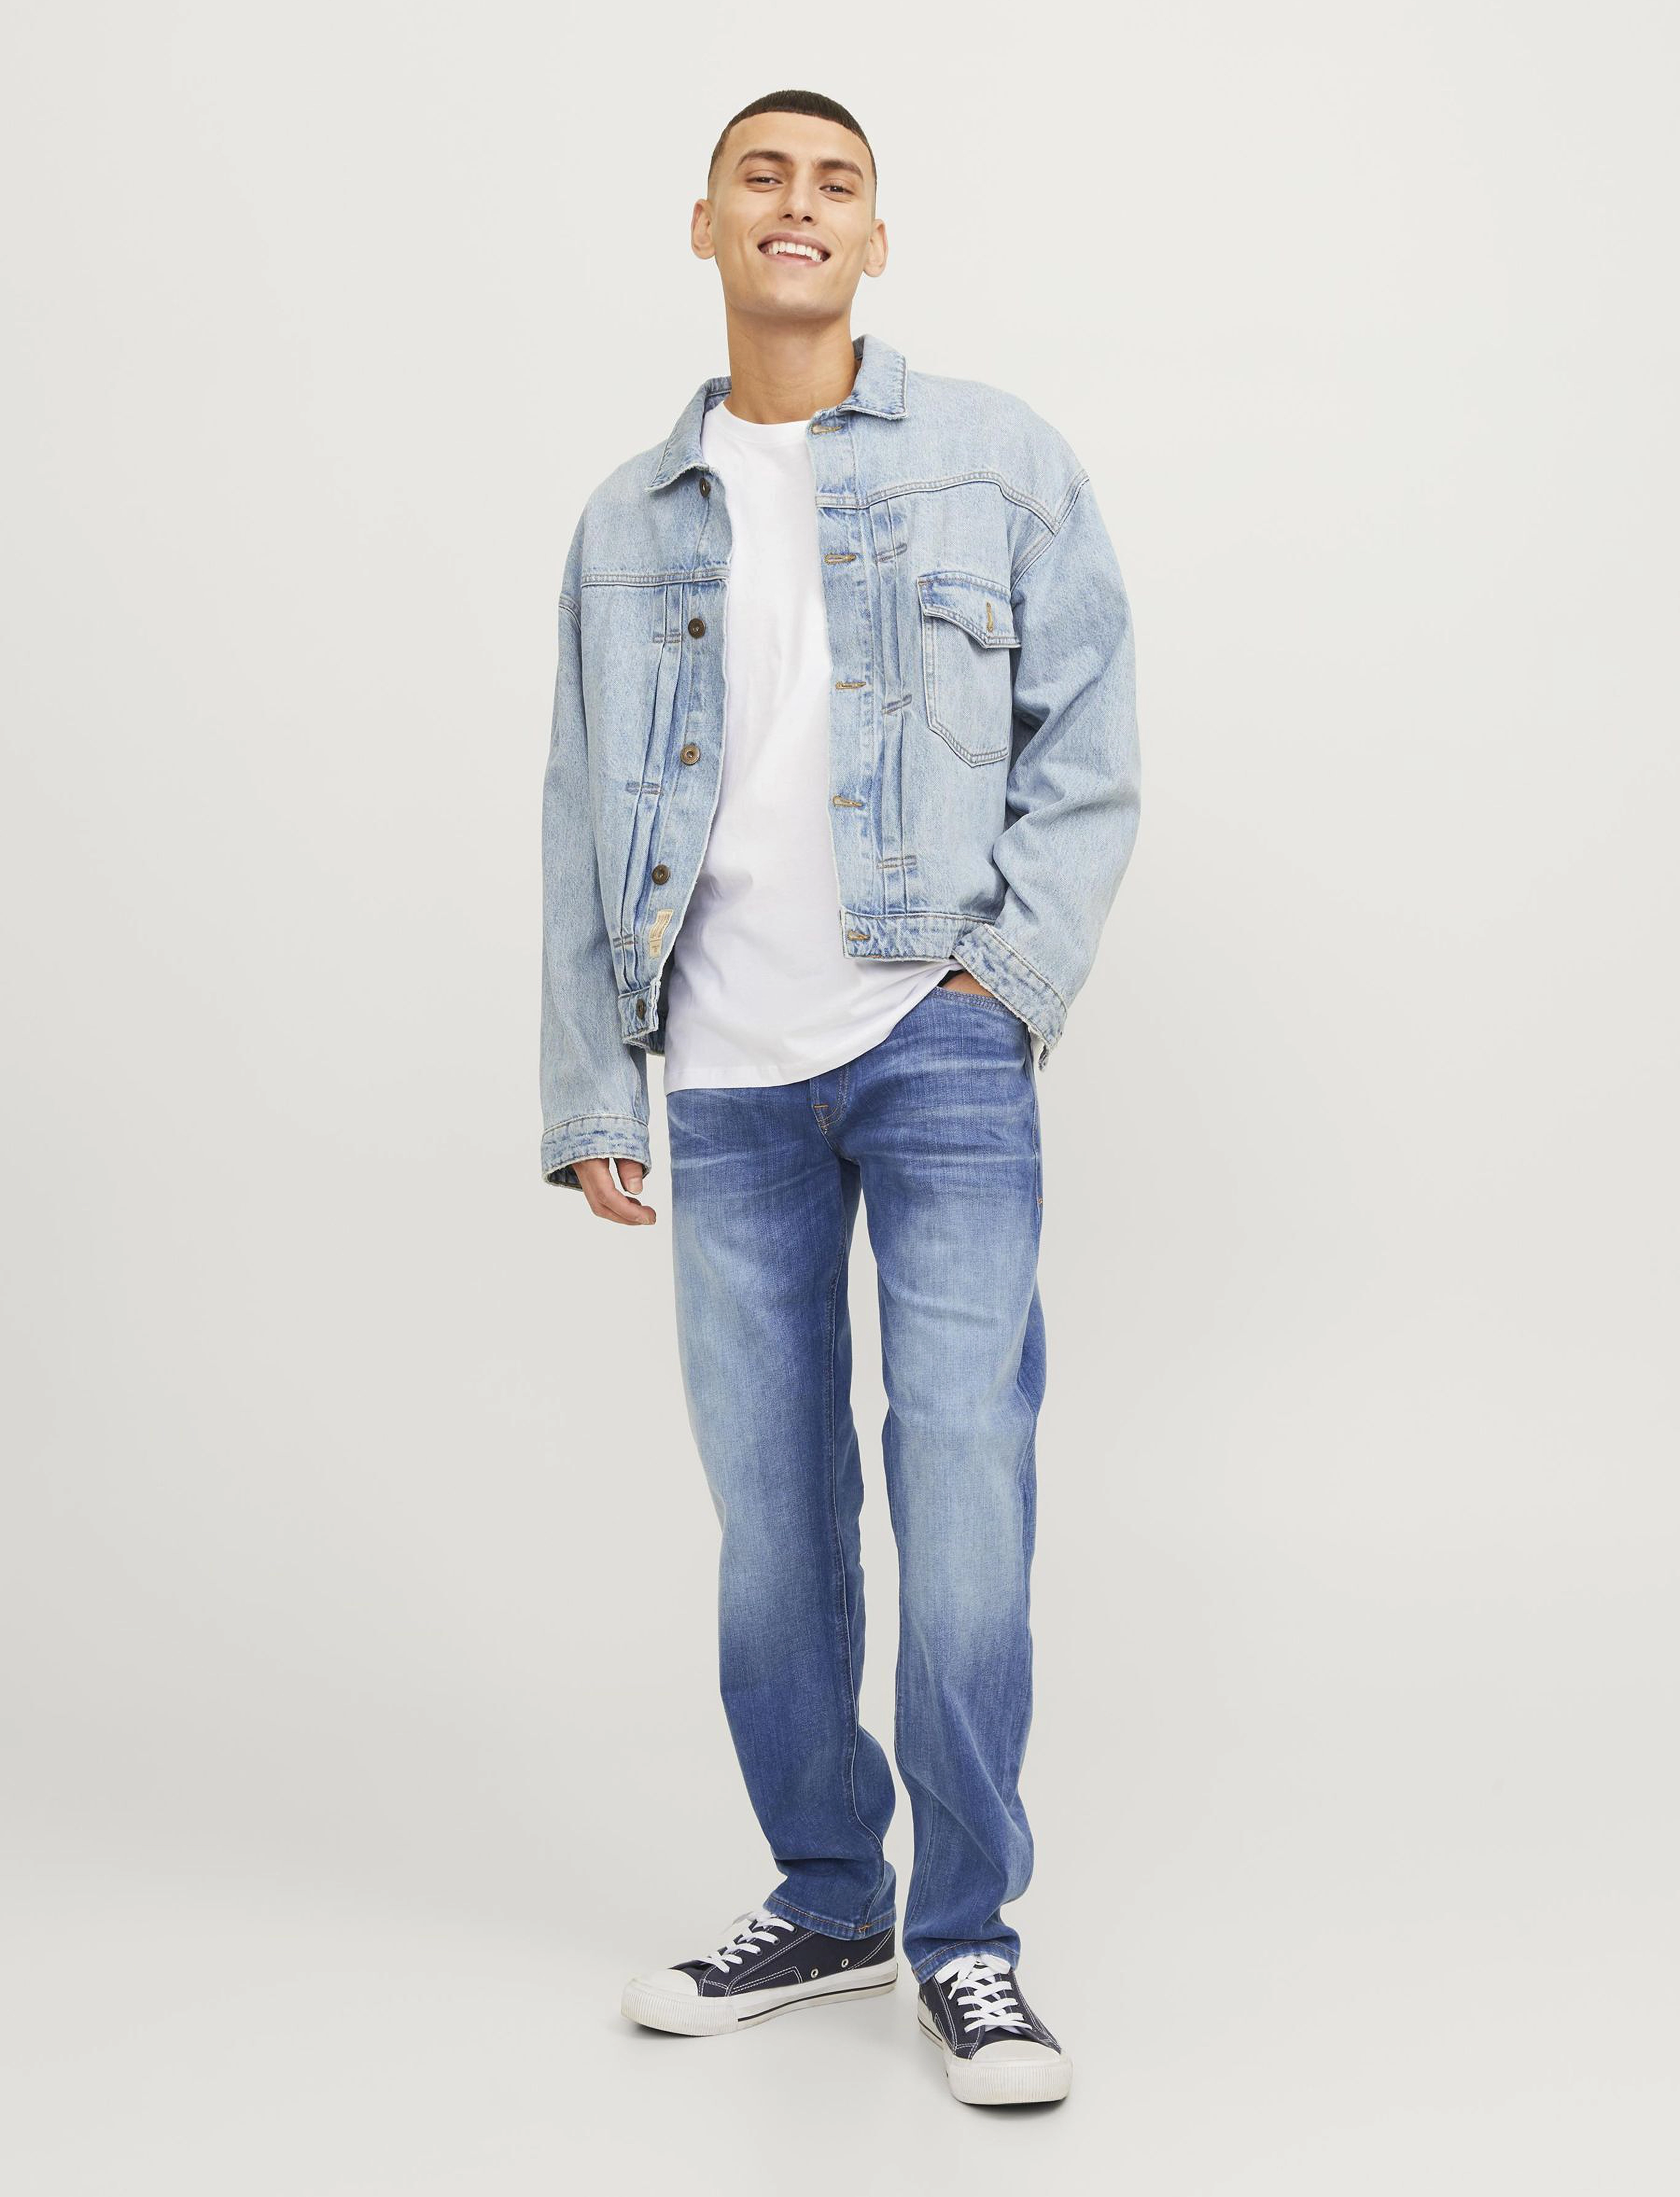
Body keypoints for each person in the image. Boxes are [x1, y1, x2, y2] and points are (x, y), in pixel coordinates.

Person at [539, 88, 1141, 2107]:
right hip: (721, 1072)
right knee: (773, 1526)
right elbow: (579, 802)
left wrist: (1004, 980)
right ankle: (827, 1896)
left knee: (964, 1486)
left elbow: (1091, 740)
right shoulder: (629, 520)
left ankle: (970, 1940)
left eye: (838, 184)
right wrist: (593, 1077)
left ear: (876, 239)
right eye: (764, 179)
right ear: (707, 222)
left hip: (936, 1039)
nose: (798, 207)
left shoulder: (997, 459)